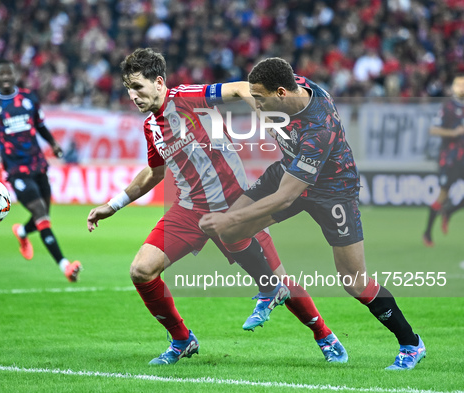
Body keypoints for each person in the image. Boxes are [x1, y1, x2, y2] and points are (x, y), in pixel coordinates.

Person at [87, 48, 347, 365]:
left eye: (138, 87)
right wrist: (113, 205)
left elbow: (239, 88)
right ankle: (182, 339)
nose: (132, 95)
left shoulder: (189, 97)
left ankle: (325, 336)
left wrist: (270, 119)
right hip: (189, 210)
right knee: (141, 270)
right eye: (128, 89)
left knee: (277, 282)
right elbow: (155, 172)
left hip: (235, 205)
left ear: (158, 82)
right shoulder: (150, 127)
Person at [199, 57, 425, 370]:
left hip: (332, 189)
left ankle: (411, 344)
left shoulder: (319, 126)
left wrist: (229, 216)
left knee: (354, 282)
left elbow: (285, 197)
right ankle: (271, 286)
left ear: (280, 93)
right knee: (230, 233)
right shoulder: (290, 87)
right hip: (289, 170)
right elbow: (241, 90)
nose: (255, 104)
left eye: (260, 98)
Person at [0, 58, 81, 282]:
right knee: (42, 215)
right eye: (1, 74)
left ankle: (22, 232)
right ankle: (65, 266)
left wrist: (53, 144)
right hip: (15, 169)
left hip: (38, 164)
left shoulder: (28, 99)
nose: (5, 77)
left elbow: (40, 125)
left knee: (44, 214)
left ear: (15, 75)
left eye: (9, 73)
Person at [423, 74, 464, 246]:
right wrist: (453, 133)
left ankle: (448, 213)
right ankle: (427, 233)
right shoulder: (447, 107)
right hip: (450, 158)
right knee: (443, 195)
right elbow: (433, 129)